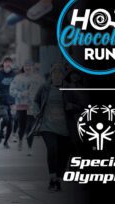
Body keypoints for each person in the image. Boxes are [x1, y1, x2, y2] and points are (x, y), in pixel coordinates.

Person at [34, 64, 83, 192]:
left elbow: (81, 106)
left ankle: (58, 179)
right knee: (52, 150)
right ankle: (52, 177)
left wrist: (72, 106)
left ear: (63, 76)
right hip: (47, 126)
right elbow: (36, 101)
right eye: (54, 73)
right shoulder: (45, 88)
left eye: (59, 73)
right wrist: (36, 111)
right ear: (51, 75)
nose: (56, 76)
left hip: (65, 128)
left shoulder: (69, 90)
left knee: (63, 155)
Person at [0, 57, 16, 148]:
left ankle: (6, 141)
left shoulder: (14, 75)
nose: (8, 64)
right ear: (3, 64)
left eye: (9, 62)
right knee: (6, 118)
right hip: (1, 101)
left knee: (11, 123)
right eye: (6, 62)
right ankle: (1, 131)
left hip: (12, 102)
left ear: (11, 64)